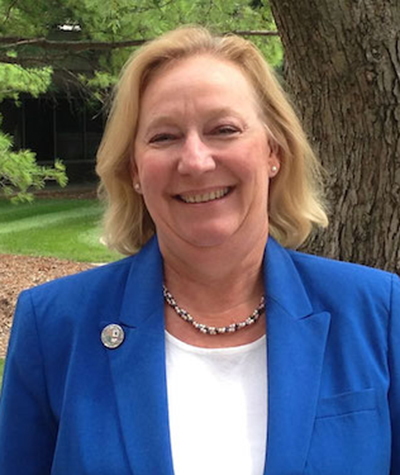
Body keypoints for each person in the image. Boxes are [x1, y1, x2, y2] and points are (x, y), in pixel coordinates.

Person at [0, 25, 399, 475]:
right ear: (135, 169)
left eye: (224, 129)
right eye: (164, 137)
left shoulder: (377, 313)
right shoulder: (53, 327)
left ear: (273, 151)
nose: (195, 161)